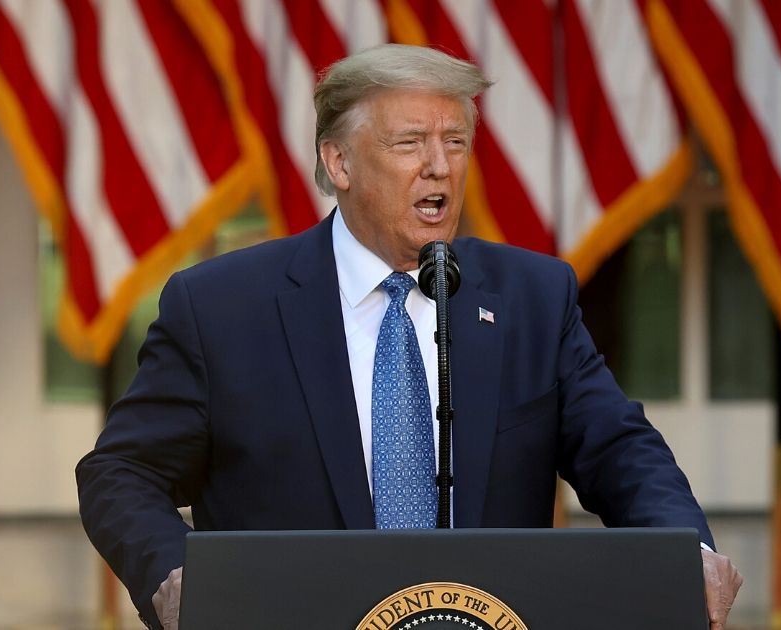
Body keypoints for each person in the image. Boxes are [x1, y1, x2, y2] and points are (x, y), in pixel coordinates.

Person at [77, 43, 742, 630]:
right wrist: (173, 575)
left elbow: (621, 450)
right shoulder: (222, 308)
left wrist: (685, 551)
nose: (439, 167)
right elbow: (121, 471)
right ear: (338, 161)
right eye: (409, 143)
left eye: (455, 142)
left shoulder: (532, 299)